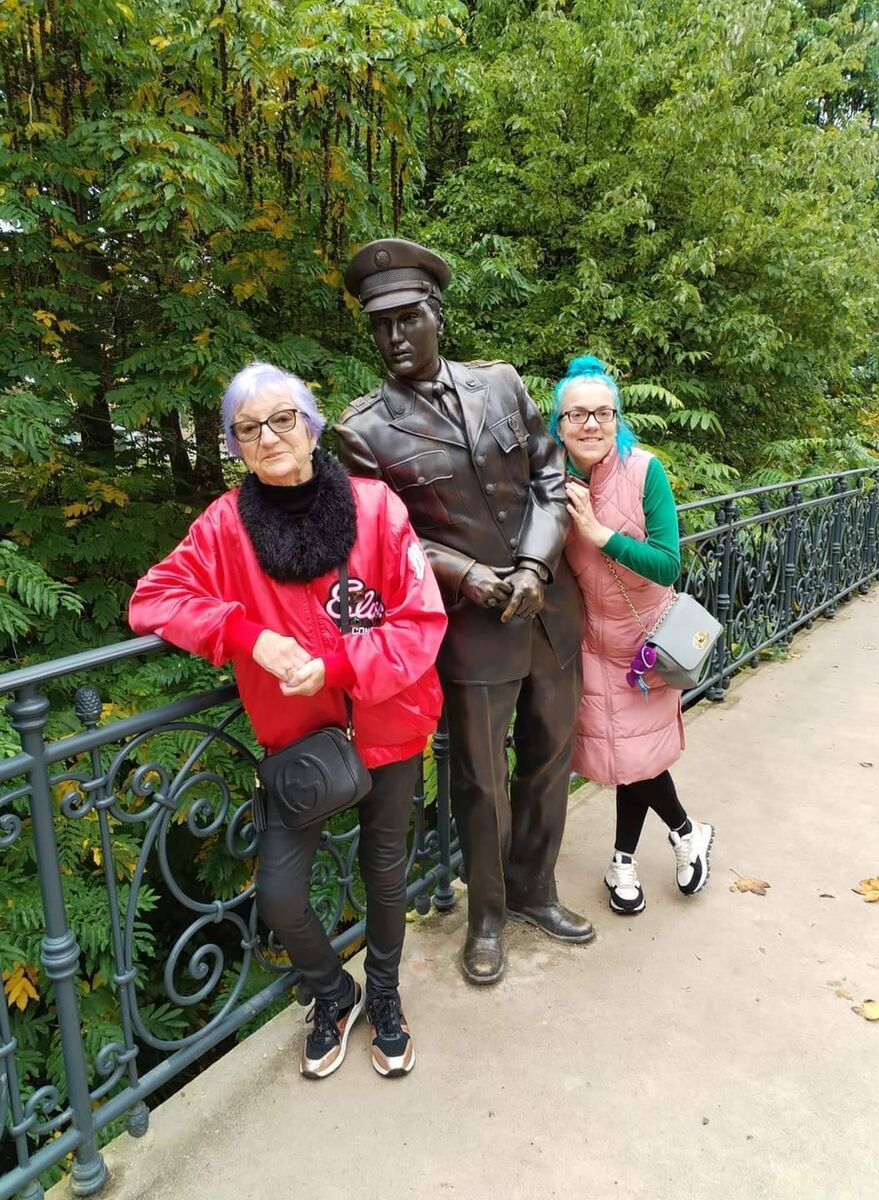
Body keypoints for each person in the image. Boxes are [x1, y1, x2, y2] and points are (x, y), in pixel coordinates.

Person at [129, 362, 447, 1079]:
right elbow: (153, 600)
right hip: (301, 746)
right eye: (248, 428)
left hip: (390, 722)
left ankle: (389, 999)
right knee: (280, 895)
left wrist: (335, 667)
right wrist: (245, 636)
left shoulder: (376, 508)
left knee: (385, 875)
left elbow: (422, 623)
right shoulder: (223, 528)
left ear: (311, 424)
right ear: (235, 444)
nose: (267, 437)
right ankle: (337, 994)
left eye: (281, 420)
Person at [335, 238, 593, 985]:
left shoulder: (500, 383)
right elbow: (387, 539)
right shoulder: (364, 431)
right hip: (472, 629)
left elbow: (549, 475)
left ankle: (533, 890)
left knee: (550, 761)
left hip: (548, 609)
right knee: (481, 780)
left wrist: (535, 566)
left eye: (407, 318)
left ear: (435, 314)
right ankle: (485, 917)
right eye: (380, 326)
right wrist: (474, 576)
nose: (393, 337)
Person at [551, 355, 714, 914]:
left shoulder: (646, 472)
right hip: (592, 646)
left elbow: (669, 565)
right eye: (577, 415)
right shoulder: (553, 484)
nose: (590, 424)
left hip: (648, 643)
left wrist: (599, 533)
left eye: (602, 413)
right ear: (559, 425)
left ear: (617, 419)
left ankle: (636, 855)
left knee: (638, 759)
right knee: (624, 758)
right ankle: (684, 835)